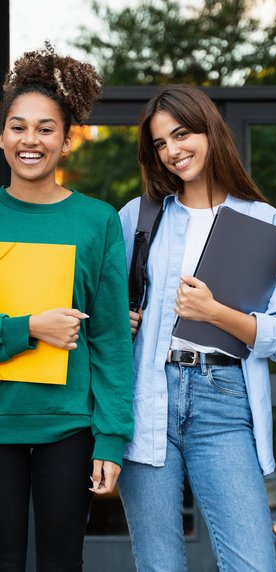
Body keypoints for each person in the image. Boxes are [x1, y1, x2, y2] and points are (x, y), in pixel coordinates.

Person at [118, 84, 276, 572]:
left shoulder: (265, 222)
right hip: (147, 399)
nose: (173, 151)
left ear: (209, 131)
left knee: (253, 564)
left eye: (181, 134)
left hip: (223, 401)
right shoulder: (137, 218)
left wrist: (216, 312)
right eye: (160, 143)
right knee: (159, 564)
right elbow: (107, 312)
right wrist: (123, 318)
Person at [0, 48, 133, 572]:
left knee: (62, 563)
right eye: (18, 127)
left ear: (66, 139)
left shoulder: (97, 221)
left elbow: (110, 341)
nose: (30, 140)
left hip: (69, 428)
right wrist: (28, 328)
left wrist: (112, 436)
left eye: (45, 129)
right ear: (2, 136)